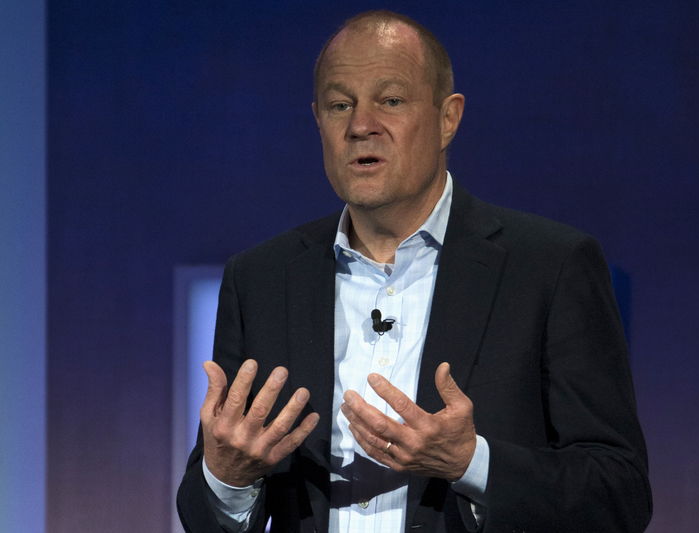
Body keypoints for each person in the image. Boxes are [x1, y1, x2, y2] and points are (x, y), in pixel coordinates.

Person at [177, 10, 652, 533]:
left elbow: (619, 493)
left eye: (391, 100)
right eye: (340, 105)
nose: (361, 126)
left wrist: (472, 462)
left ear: (448, 118)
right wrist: (226, 477)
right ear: (319, 121)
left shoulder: (550, 268)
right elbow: (207, 517)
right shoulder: (262, 279)